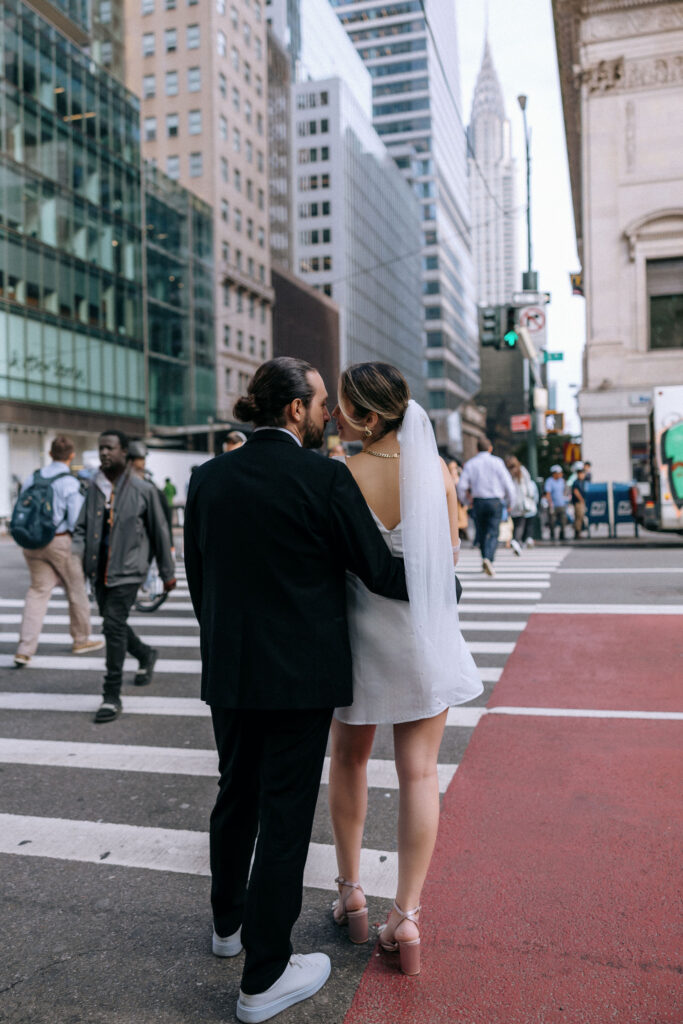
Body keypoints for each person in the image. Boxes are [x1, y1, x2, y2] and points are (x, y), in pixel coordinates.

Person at [183, 357, 409, 1024]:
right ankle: (265, 976)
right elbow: (375, 569)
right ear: (293, 411)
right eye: (317, 404)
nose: (323, 415)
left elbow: (200, 578)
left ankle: (227, 927)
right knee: (283, 817)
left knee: (235, 794)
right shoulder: (322, 476)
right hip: (300, 676)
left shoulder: (208, 479)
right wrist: (439, 584)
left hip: (231, 668)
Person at [329, 363, 482, 977]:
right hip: (425, 641)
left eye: (343, 407)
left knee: (348, 760)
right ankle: (408, 914)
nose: (336, 416)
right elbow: (447, 566)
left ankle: (351, 892)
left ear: (368, 416)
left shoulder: (342, 474)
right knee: (420, 775)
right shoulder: (438, 474)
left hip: (358, 644)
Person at [72, 430, 176, 723]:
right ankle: (145, 654)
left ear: (124, 453)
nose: (104, 453)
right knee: (113, 624)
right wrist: (76, 555)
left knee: (113, 624)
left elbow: (159, 532)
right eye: (100, 447)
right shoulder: (94, 487)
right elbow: (81, 527)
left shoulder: (144, 489)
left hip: (130, 570)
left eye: (109, 448)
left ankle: (111, 694)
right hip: (99, 569)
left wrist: (168, 574)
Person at [13, 436, 104, 667]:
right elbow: (75, 521)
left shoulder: (33, 477)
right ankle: (81, 639)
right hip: (60, 541)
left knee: (37, 591)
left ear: (51, 454)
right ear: (71, 455)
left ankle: (24, 649)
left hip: (32, 542)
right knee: (76, 590)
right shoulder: (69, 482)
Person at [456, 438, 516, 577]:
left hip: (478, 502)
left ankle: (485, 558)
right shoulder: (497, 462)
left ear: (477, 449)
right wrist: (510, 503)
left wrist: (466, 501)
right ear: (490, 448)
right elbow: (509, 486)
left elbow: (461, 486)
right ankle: (489, 558)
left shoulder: (471, 464)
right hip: (495, 501)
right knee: (493, 531)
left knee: (481, 531)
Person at [505, 455, 538, 554]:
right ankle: (517, 541)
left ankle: (517, 541)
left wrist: (508, 503)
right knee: (522, 523)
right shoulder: (522, 471)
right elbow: (529, 487)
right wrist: (531, 497)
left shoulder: (508, 473)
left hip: (514, 503)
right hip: (523, 502)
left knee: (517, 524)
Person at [543, 464, 569, 541]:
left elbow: (565, 491)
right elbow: (548, 494)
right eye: (559, 473)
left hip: (562, 504)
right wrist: (550, 504)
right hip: (553, 505)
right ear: (554, 473)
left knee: (563, 520)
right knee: (552, 522)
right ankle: (552, 535)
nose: (561, 474)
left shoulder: (562, 481)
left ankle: (562, 534)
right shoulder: (549, 481)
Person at [447, 461, 470, 539]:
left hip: (459, 503)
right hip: (455, 502)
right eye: (452, 468)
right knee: (457, 520)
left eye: (455, 468)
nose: (454, 470)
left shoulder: (458, 477)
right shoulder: (449, 479)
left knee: (461, 520)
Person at [571, 463, 588, 539]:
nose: (582, 475)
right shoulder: (576, 482)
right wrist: (581, 499)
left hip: (581, 502)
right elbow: (575, 491)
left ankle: (579, 531)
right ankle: (577, 532)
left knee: (581, 517)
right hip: (578, 502)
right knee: (579, 517)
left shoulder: (583, 482)